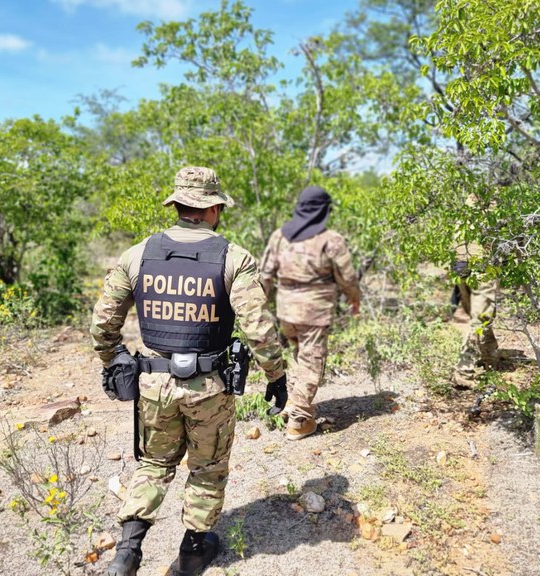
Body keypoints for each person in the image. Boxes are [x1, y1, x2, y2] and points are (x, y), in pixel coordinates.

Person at [90, 166, 288, 576]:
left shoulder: (138, 253)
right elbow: (259, 329)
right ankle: (194, 552)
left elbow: (102, 322)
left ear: (178, 205)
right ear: (214, 209)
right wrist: (276, 376)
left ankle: (127, 552)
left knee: (153, 465)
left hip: (153, 383)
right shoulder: (234, 257)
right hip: (209, 388)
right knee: (207, 468)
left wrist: (113, 359)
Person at [260, 185, 360, 441]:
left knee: (298, 355)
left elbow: (265, 275)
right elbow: (347, 277)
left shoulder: (279, 236)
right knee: (312, 360)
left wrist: (259, 306)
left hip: (286, 310)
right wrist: (354, 299)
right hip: (314, 310)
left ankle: (292, 402)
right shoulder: (330, 239)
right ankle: (299, 419)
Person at [450, 201, 499, 389]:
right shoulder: (495, 205)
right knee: (481, 317)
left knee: (479, 314)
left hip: (460, 263)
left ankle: (489, 353)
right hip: (480, 264)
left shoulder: (465, 206)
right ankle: (464, 371)